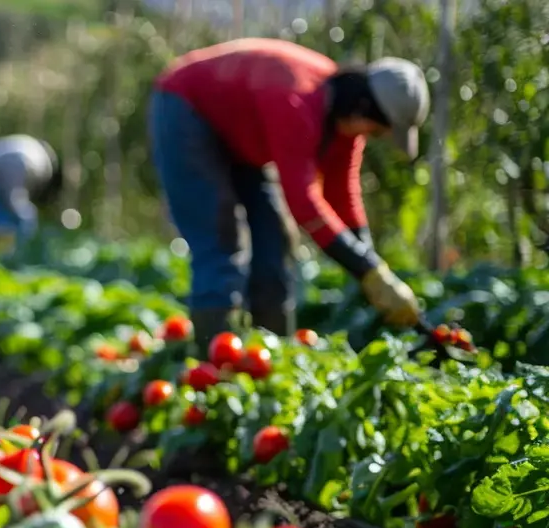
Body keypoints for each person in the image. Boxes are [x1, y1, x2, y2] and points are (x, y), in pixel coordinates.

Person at [149, 38, 429, 341]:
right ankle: (215, 365)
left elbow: (342, 195)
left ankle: (272, 357)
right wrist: (367, 270)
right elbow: (303, 202)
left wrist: (374, 269)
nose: (372, 137)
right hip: (186, 108)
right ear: (362, 108)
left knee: (275, 239)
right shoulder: (299, 100)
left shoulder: (344, 124)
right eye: (376, 130)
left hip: (240, 132)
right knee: (221, 240)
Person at [0, 135, 63, 255]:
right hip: (14, 165)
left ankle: (6, 253)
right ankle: (19, 254)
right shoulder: (44, 164)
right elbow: (24, 188)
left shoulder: (30, 145)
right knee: (21, 215)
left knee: (3, 217)